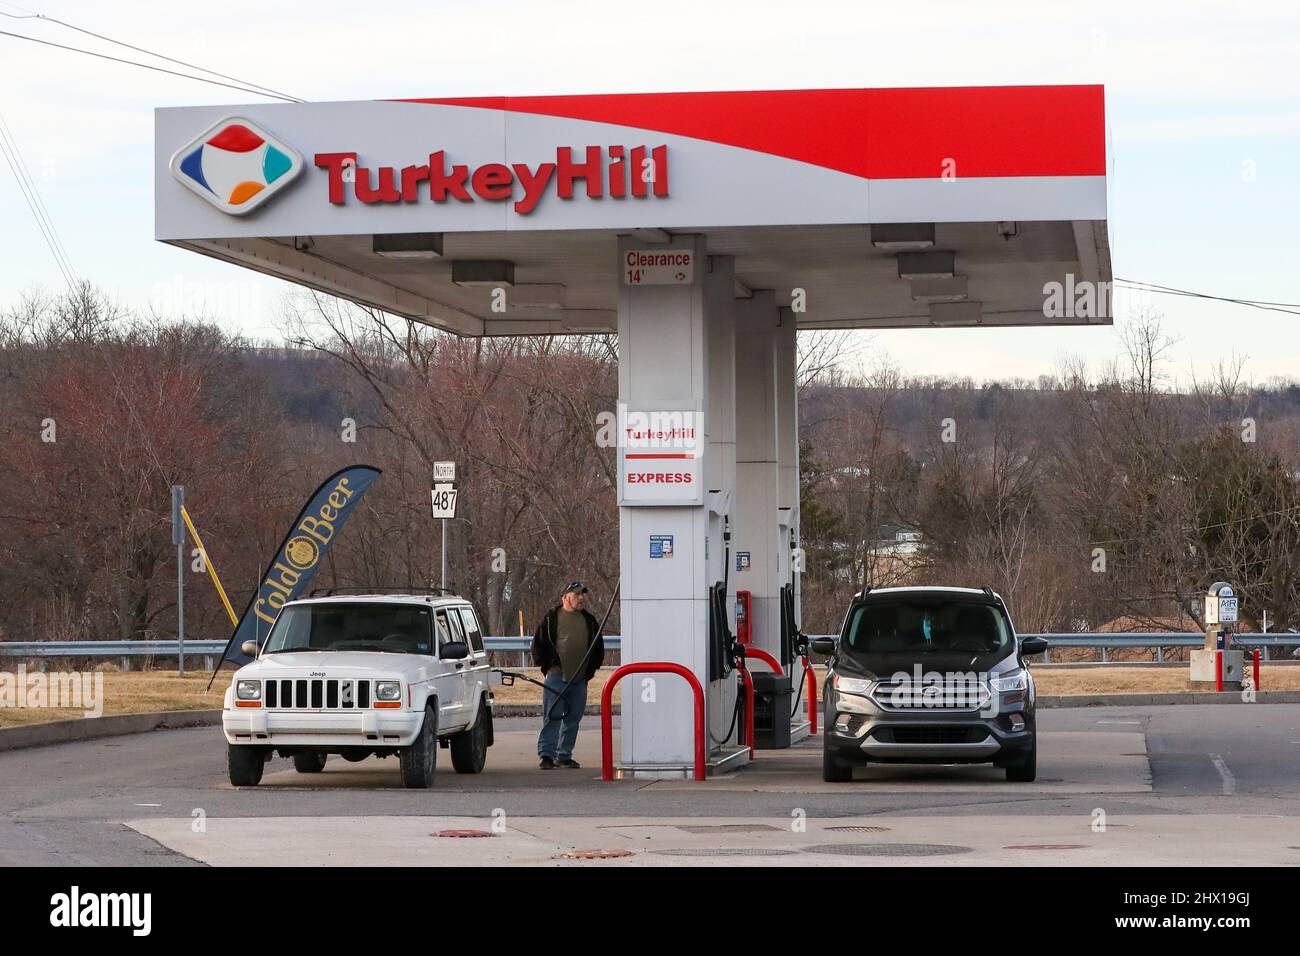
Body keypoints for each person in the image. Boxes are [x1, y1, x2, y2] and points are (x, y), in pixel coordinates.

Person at [531, 580, 604, 769]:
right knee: (552, 716)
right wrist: (547, 666)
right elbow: (538, 645)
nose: (581, 598)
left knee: (573, 718)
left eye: (582, 595)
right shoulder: (551, 618)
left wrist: (590, 671)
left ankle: (564, 755)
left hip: (580, 679)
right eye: (576, 595)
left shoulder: (589, 620)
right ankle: (547, 755)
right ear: (565, 597)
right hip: (556, 676)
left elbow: (598, 648)